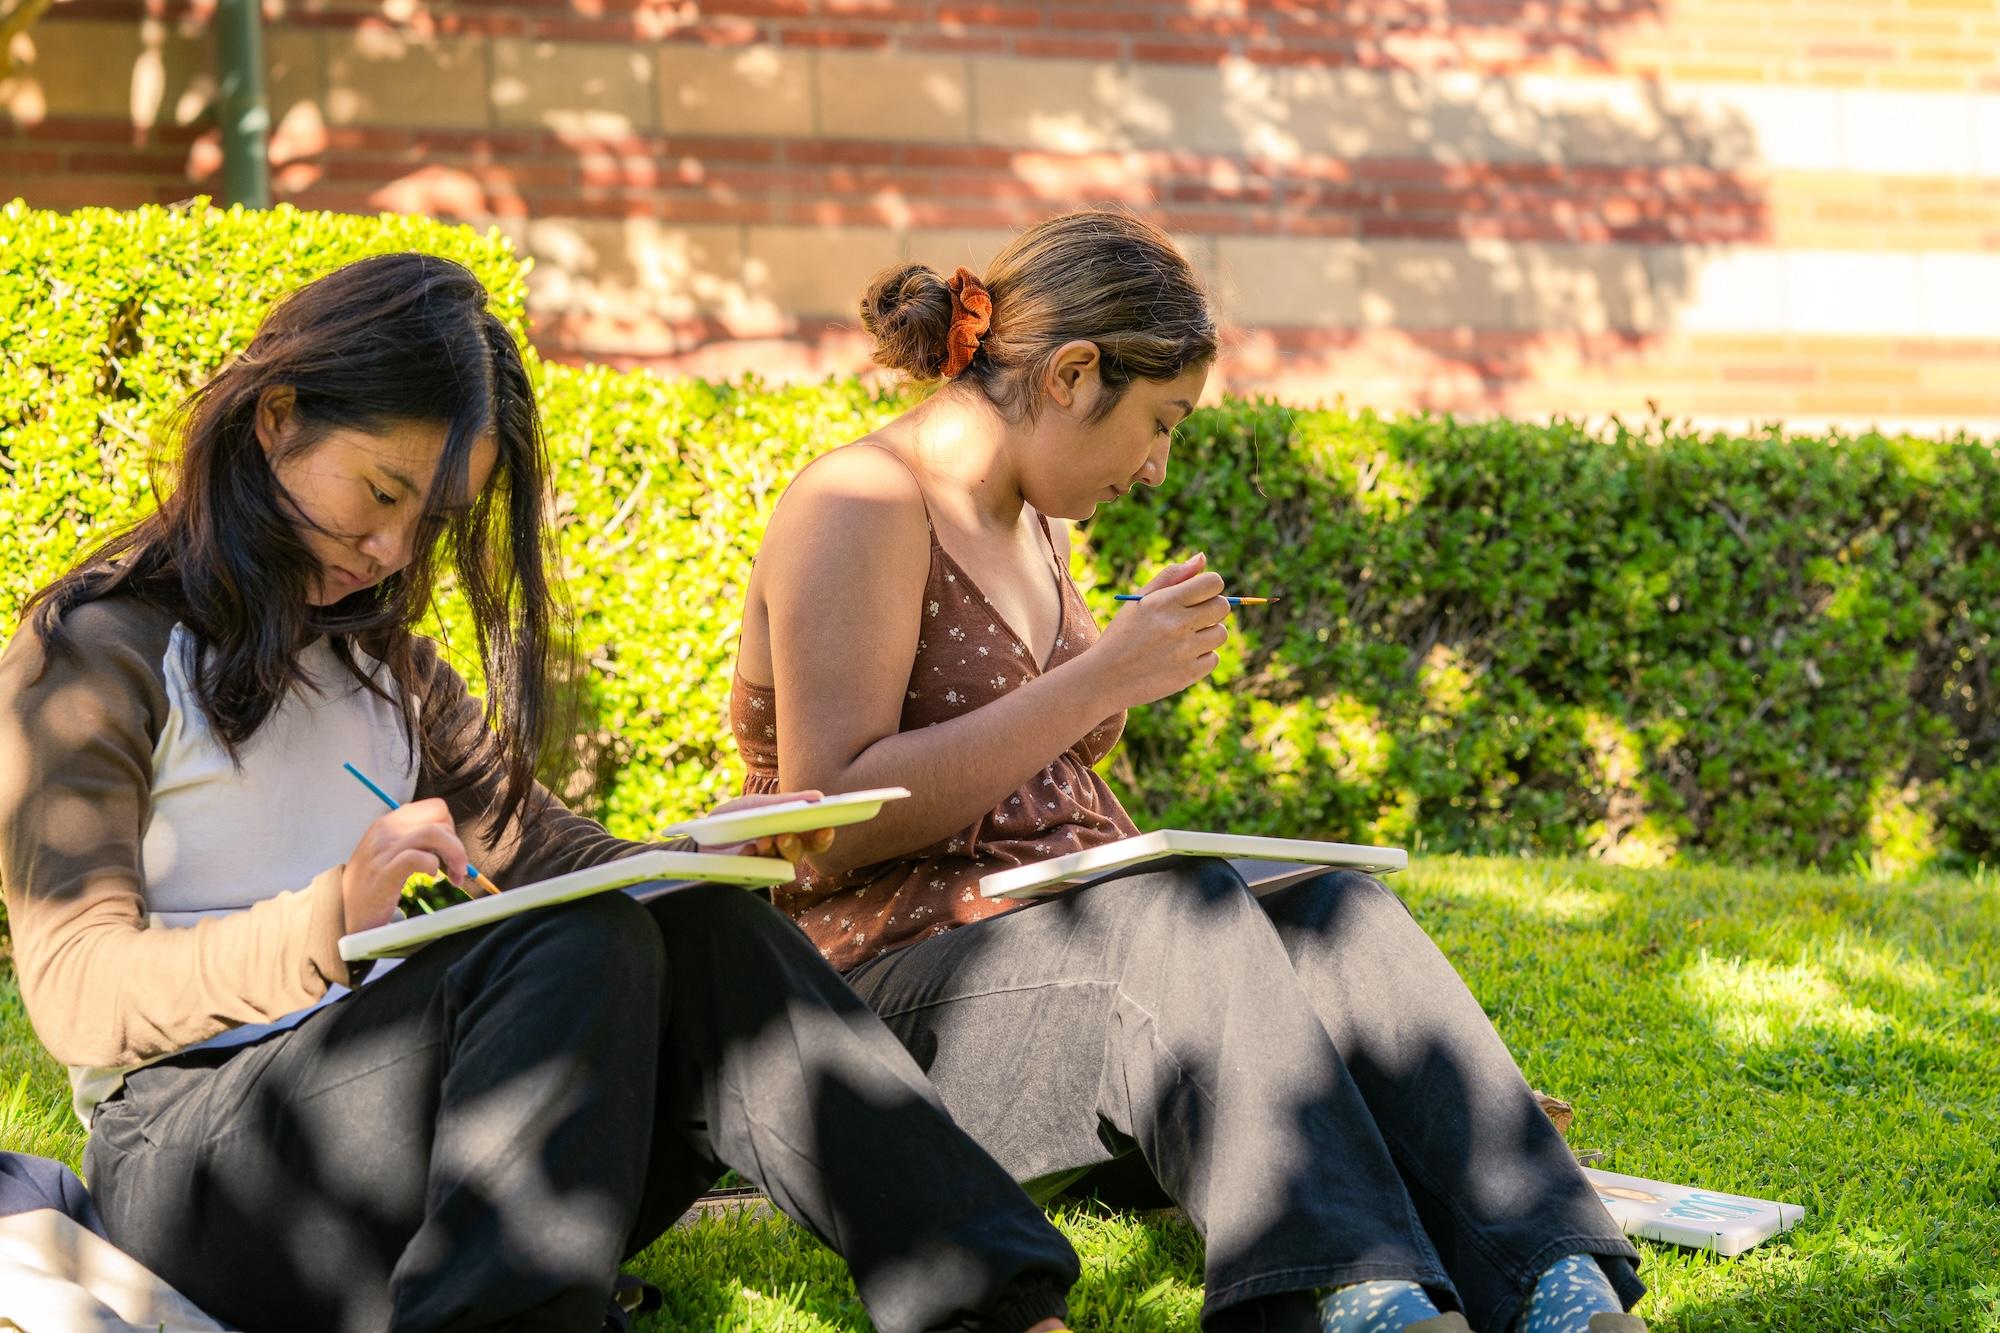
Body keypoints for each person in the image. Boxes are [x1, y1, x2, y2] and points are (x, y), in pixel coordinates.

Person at [0, 253, 1079, 1333]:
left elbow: (540, 849)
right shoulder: (94, 658)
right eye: (380, 493)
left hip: (390, 1147)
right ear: (277, 420)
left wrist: (708, 855)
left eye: (430, 521)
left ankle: (999, 1308)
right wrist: (328, 921)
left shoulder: (386, 665)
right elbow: (77, 992)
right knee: (570, 947)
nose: (389, 552)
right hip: (193, 1170)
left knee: (694, 926)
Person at [728, 210, 1648, 1333]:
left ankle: (1562, 1284)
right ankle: (1357, 1304)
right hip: (904, 1005)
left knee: (1336, 915)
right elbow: (832, 824)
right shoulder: (859, 504)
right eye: (1160, 423)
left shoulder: (1032, 523)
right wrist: (1094, 680)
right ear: (1071, 374)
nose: (1157, 468)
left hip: (1087, 979)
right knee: (1178, 911)